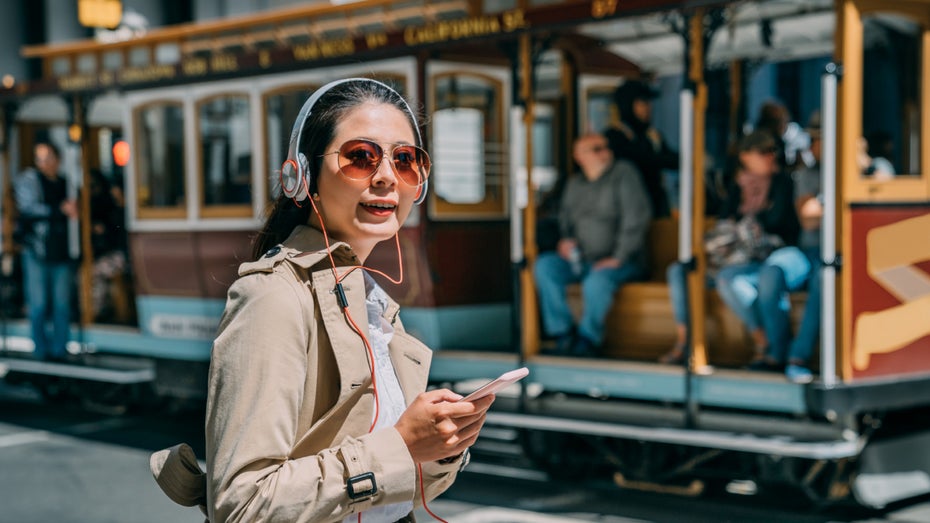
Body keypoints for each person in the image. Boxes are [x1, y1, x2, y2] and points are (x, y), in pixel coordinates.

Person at [150, 79, 490, 522]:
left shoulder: (372, 302)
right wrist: (401, 445)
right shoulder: (274, 297)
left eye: (405, 160)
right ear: (302, 175)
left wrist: (441, 447)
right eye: (360, 158)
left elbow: (390, 489)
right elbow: (242, 505)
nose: (387, 176)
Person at [661, 131, 799, 366]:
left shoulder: (784, 182)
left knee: (730, 281)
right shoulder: (738, 184)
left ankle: (763, 343)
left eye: (771, 152)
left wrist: (746, 227)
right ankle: (685, 342)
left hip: (762, 257)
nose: (769, 157)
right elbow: (723, 219)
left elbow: (779, 224)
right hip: (731, 256)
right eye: (762, 153)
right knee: (679, 271)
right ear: (745, 158)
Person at [534, 133, 652, 357]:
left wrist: (619, 256)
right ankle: (563, 333)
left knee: (596, 281)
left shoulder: (624, 173)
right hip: (581, 259)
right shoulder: (574, 184)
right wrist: (564, 243)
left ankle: (588, 339)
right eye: (595, 149)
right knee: (545, 266)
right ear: (579, 156)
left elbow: (636, 219)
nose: (604, 152)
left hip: (624, 261)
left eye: (605, 147)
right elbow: (565, 222)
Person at [757, 112, 825, 383]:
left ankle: (799, 356)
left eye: (818, 139)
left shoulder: (866, 170)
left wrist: (823, 208)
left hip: (840, 256)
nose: (811, 146)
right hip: (808, 252)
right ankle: (777, 351)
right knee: (773, 270)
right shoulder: (808, 175)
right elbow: (808, 220)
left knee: (826, 277)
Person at [12, 141, 78, 362]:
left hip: (61, 252)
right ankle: (40, 351)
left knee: (61, 305)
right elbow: (28, 208)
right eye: (39, 158)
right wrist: (58, 210)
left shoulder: (65, 183)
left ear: (58, 159)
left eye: (48, 157)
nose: (44, 163)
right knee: (38, 304)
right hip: (37, 252)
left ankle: (59, 350)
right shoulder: (29, 181)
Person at [604, 79, 678, 217]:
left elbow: (672, 160)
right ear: (628, 104)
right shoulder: (615, 136)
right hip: (627, 206)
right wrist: (659, 159)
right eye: (642, 102)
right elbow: (641, 159)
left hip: (656, 204)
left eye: (649, 103)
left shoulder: (652, 135)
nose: (648, 107)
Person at [89, 169, 127, 321]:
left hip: (124, 257)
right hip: (118, 255)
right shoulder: (115, 208)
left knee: (93, 272)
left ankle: (98, 310)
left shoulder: (124, 211)